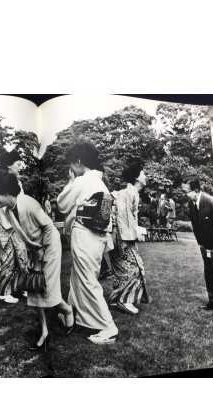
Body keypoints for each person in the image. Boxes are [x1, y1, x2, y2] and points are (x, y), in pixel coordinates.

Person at [0, 169, 74, 350]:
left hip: (50, 247)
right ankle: (44, 331)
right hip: (35, 250)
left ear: (5, 192)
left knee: (48, 289)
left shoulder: (29, 203)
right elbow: (26, 236)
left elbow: (49, 228)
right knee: (34, 289)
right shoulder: (9, 210)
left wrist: (42, 251)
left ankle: (67, 310)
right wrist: (33, 253)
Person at [57, 142, 118, 345]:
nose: (71, 169)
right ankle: (72, 312)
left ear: (79, 162)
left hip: (85, 235)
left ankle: (107, 326)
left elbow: (62, 203)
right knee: (80, 276)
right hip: (98, 237)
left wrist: (70, 181)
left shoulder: (83, 181)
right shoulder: (99, 181)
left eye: (72, 165)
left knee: (88, 281)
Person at [108, 161, 149, 315]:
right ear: (137, 178)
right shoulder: (129, 192)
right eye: (143, 173)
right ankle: (123, 301)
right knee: (133, 269)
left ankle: (116, 299)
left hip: (124, 236)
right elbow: (123, 218)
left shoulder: (131, 192)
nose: (145, 176)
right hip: (122, 238)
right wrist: (129, 239)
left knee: (125, 269)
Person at [181, 178, 213, 315]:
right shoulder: (191, 204)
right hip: (204, 246)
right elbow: (196, 227)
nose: (185, 194)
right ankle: (212, 301)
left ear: (196, 190)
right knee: (208, 273)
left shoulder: (211, 202)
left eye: (187, 192)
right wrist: (200, 244)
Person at [0, 149, 25, 304]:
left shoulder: (17, 181)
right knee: (8, 259)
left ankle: (18, 288)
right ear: (8, 165)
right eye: (17, 164)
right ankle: (3, 292)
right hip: (6, 224)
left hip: (17, 223)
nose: (20, 166)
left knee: (22, 256)